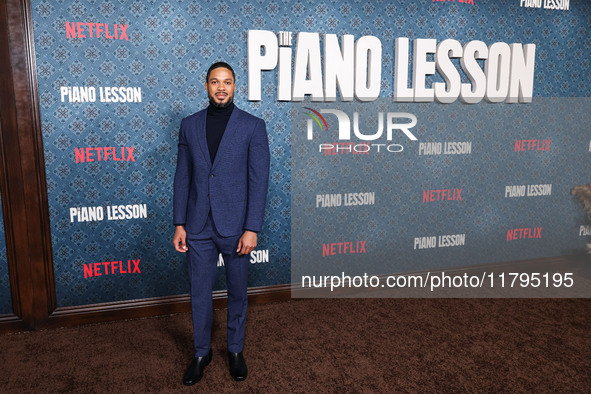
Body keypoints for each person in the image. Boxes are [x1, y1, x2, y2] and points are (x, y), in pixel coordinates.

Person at [172, 61, 270, 385]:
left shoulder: (253, 126)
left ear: (235, 86)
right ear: (206, 86)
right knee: (199, 292)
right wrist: (180, 223)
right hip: (198, 225)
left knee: (237, 293)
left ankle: (235, 350)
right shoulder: (189, 125)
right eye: (215, 82)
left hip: (237, 227)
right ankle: (202, 352)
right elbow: (182, 177)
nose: (221, 87)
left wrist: (252, 228)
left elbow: (259, 181)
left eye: (227, 82)